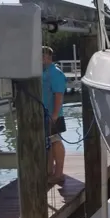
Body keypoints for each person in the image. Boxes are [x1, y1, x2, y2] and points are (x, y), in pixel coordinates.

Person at [42, 46, 67, 184]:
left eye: (43, 57)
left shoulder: (55, 73)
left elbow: (59, 95)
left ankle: (59, 173)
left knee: (55, 141)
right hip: (43, 113)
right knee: (48, 142)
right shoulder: (42, 72)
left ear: (49, 58)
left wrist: (55, 115)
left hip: (53, 114)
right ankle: (49, 171)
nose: (40, 60)